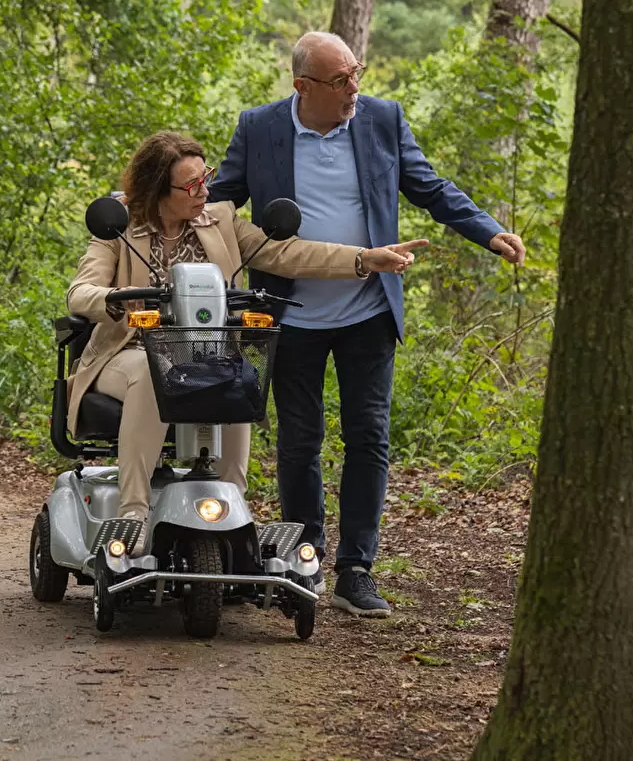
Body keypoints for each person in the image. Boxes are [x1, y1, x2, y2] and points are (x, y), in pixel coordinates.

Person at [210, 31, 527, 618]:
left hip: (369, 312)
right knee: (301, 441)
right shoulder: (260, 128)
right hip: (293, 313)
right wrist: (154, 211)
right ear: (303, 87)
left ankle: (356, 569)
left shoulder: (382, 119)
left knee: (369, 439)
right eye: (339, 80)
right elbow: (217, 200)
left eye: (357, 71)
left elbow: (430, 188)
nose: (354, 87)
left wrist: (488, 230)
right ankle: (304, 558)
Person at [66, 130, 427, 554]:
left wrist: (363, 259)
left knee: (239, 371)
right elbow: (79, 291)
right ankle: (133, 513)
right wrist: (114, 300)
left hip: (205, 354)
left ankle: (233, 505)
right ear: (157, 189)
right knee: (152, 372)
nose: (205, 191)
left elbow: (288, 253)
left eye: (207, 178)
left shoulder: (220, 219)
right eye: (192, 185)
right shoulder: (121, 226)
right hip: (128, 353)